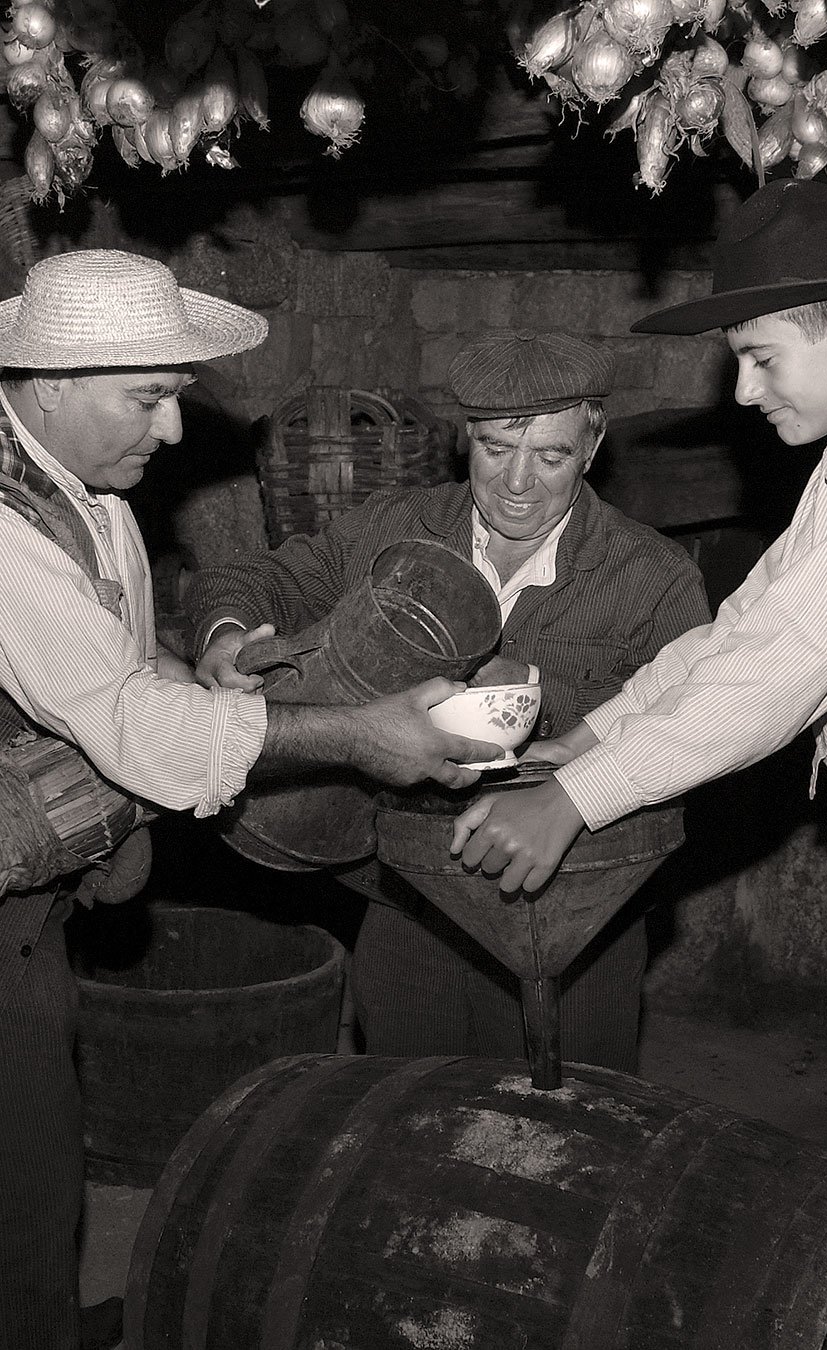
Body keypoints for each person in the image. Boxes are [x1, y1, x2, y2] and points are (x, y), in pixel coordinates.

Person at [0, 249, 500, 1350]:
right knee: (23, 1159)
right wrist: (357, 734)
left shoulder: (83, 490)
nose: (175, 430)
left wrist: (206, 669)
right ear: (50, 383)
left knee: (34, 1166)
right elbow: (130, 729)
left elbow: (117, 663)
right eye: (147, 397)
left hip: (35, 896)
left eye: (176, 396)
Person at [452, 179, 827, 1162]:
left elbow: (777, 674)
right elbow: (740, 629)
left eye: (761, 358)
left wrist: (575, 799)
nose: (742, 391)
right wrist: (590, 736)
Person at [187, 329, 710, 1068]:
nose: (519, 482)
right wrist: (226, 635)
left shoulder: (653, 577)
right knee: (409, 1100)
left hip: (573, 908)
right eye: (497, 448)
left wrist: (540, 708)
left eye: (551, 456)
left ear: (592, 449)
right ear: (467, 439)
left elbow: (690, 738)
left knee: (573, 1108)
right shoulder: (394, 529)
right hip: (409, 894)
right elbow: (255, 578)